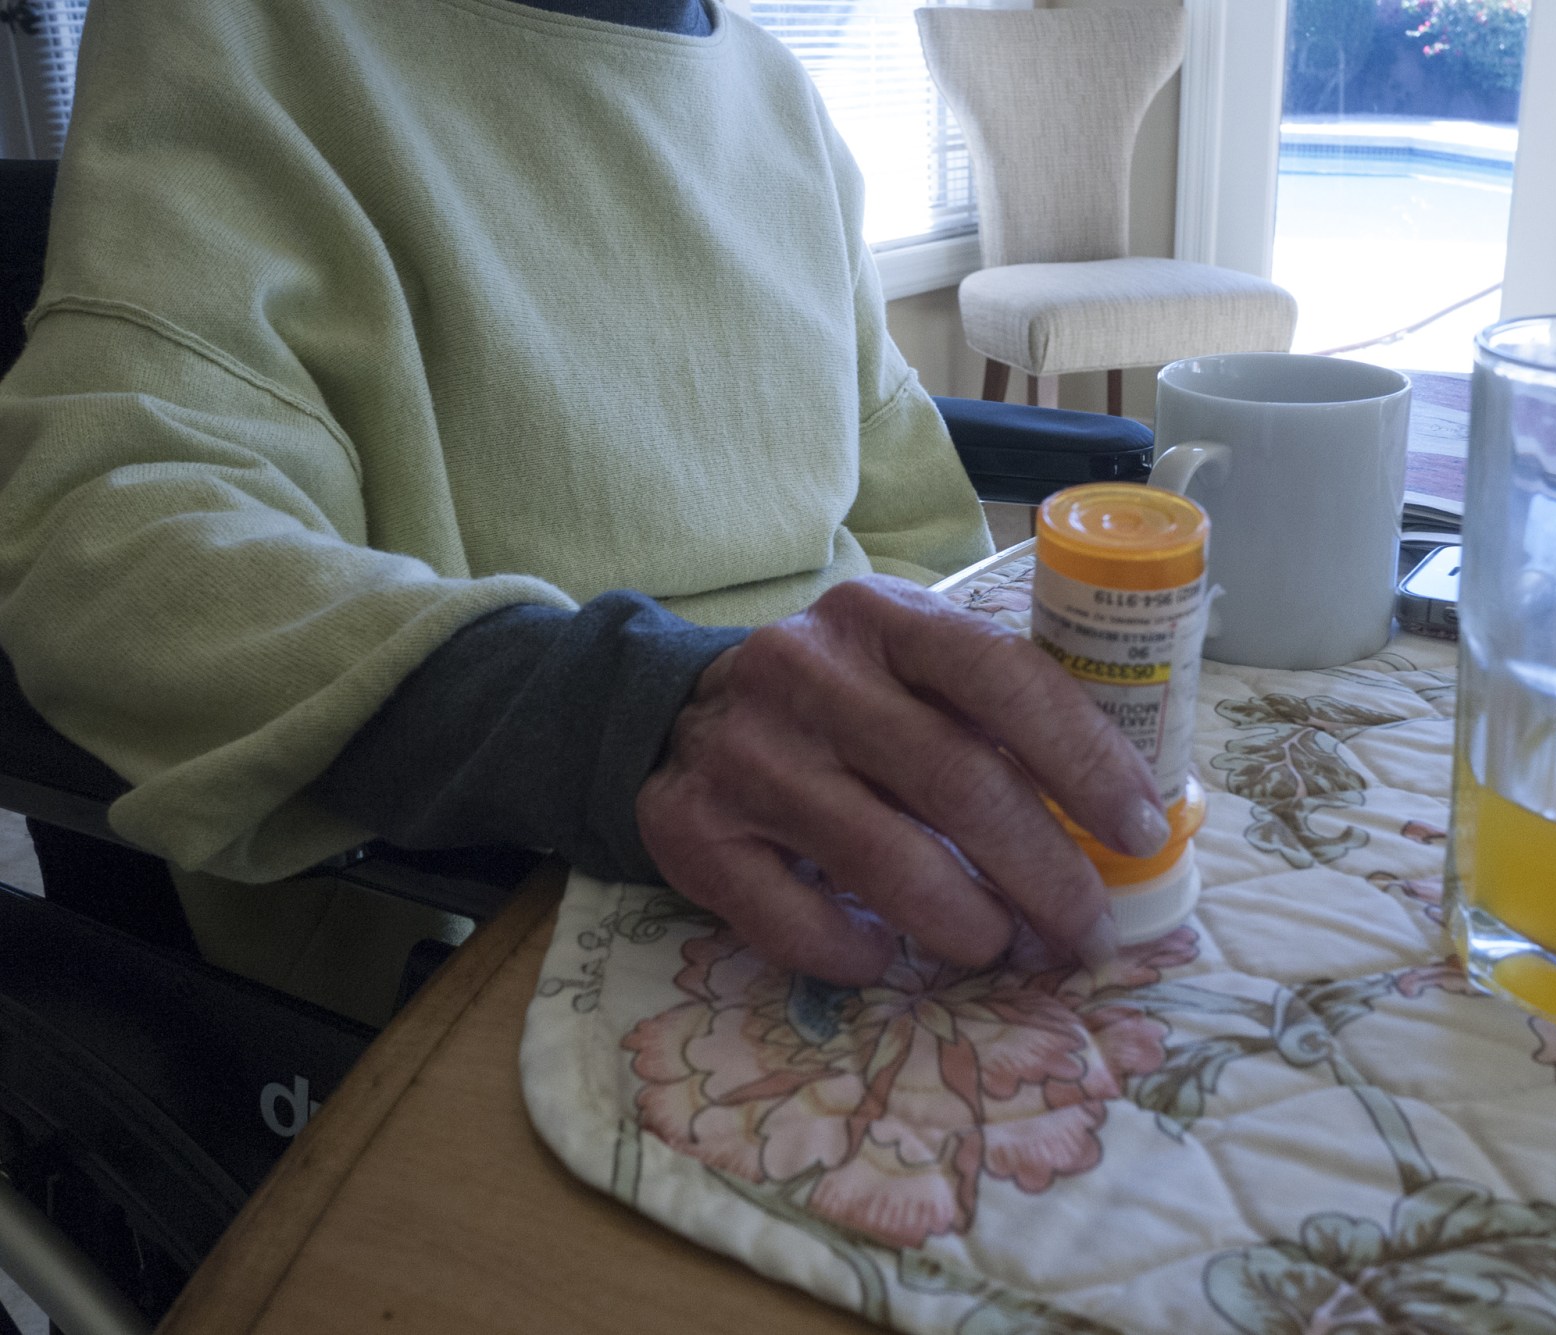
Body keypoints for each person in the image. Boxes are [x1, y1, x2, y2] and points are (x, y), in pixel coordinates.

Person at [0, 0, 1167, 1013]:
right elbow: (109, 537)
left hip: (867, 870)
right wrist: (635, 718)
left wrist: (918, 764)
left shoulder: (776, 92)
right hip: (482, 911)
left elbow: (915, 525)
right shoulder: (236, 34)